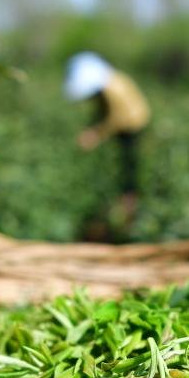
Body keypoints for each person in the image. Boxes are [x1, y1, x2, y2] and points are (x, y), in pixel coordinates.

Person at [64, 52, 150, 242]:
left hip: (132, 126)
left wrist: (96, 135)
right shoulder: (105, 88)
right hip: (121, 127)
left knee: (128, 169)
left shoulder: (114, 89)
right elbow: (102, 114)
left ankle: (128, 213)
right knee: (117, 168)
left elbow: (116, 118)